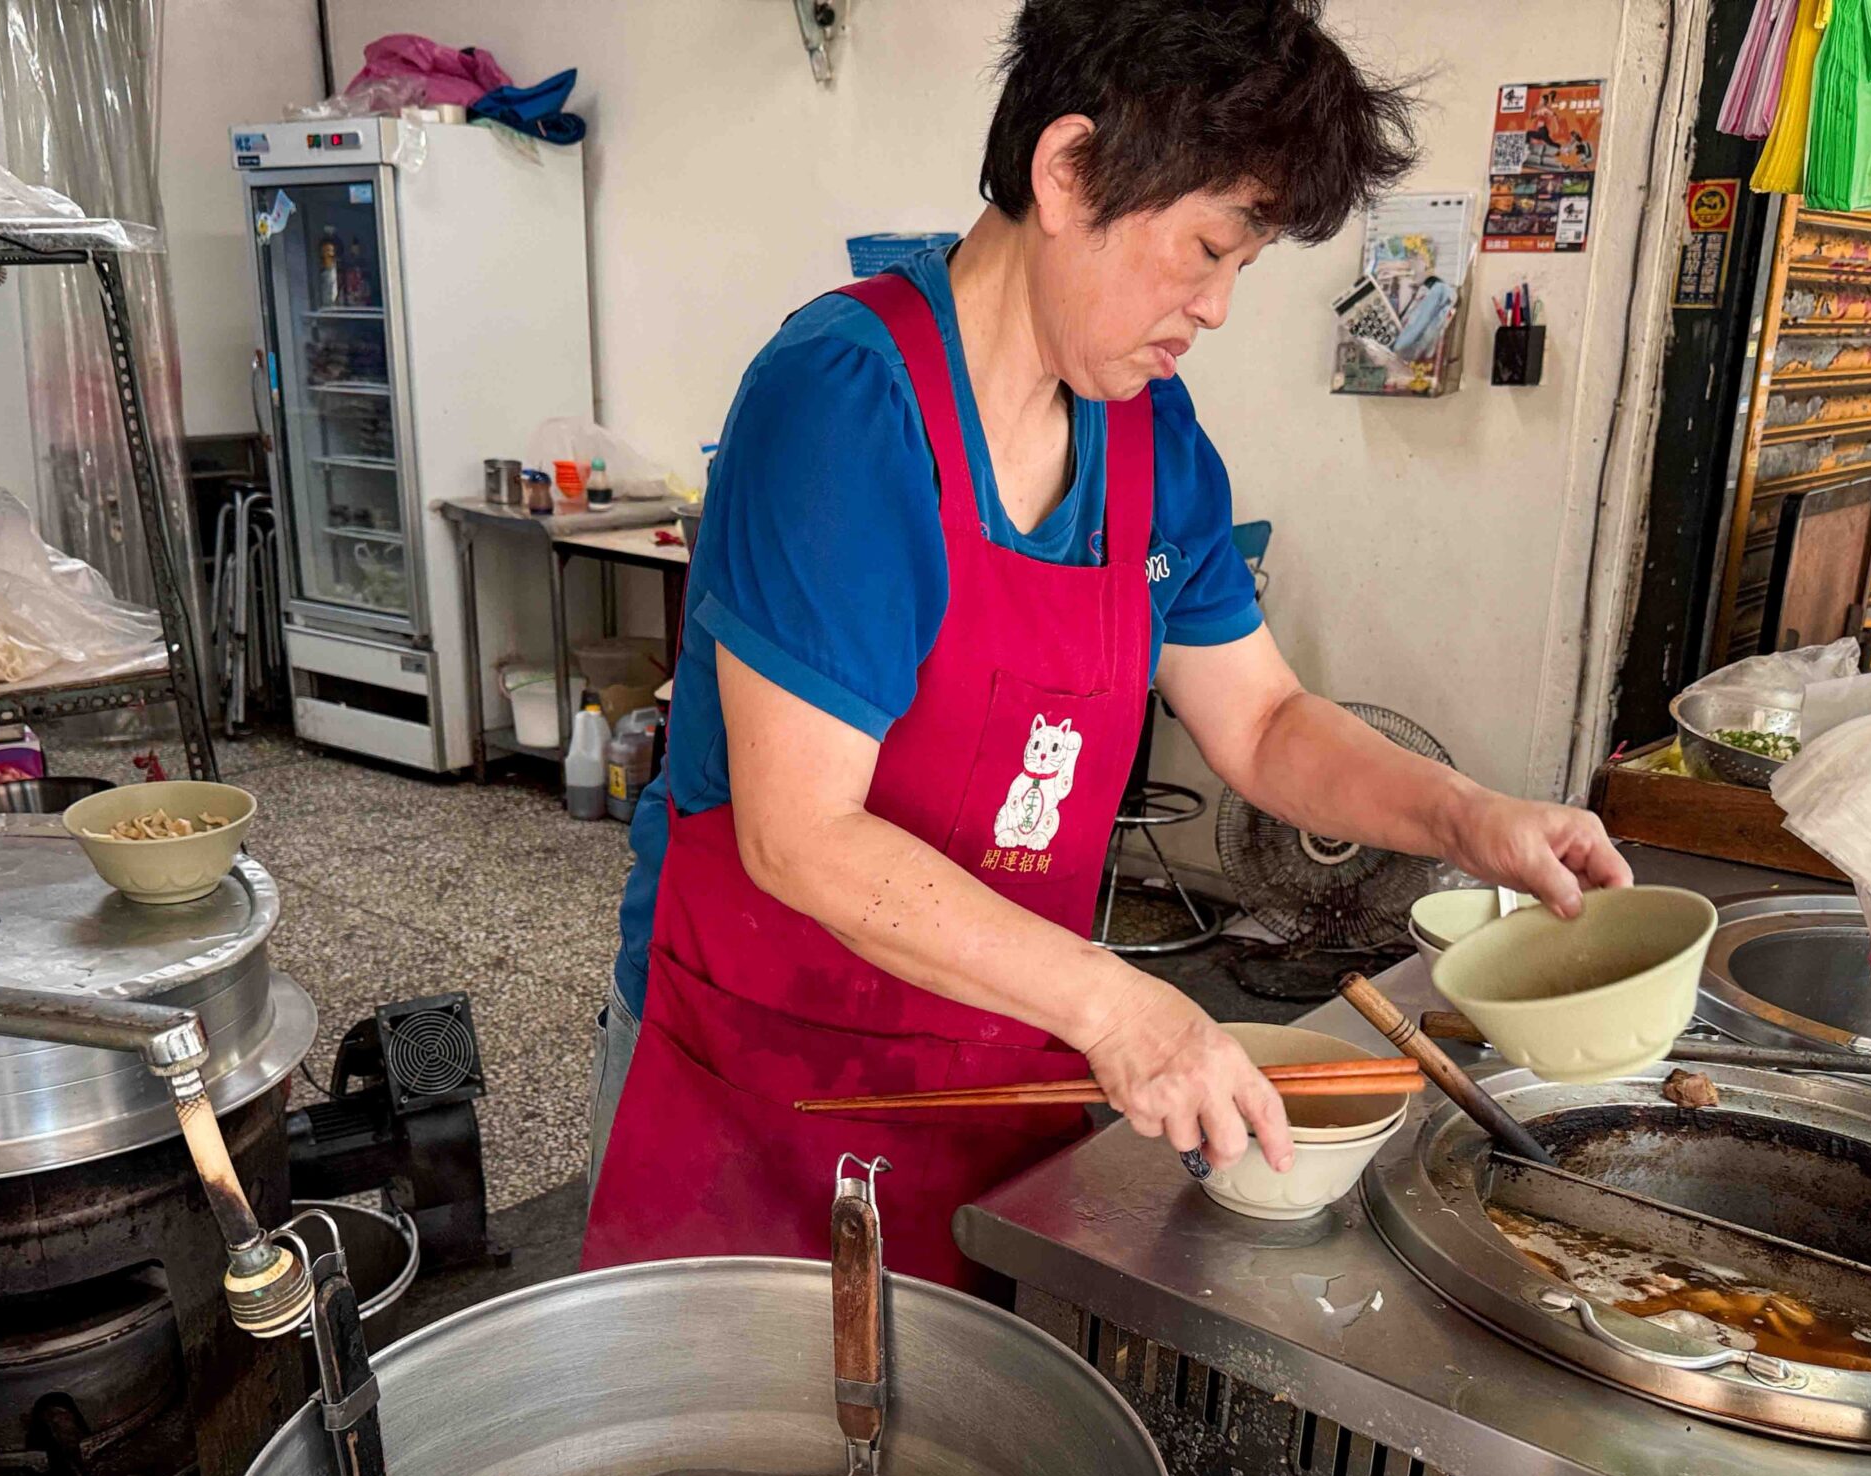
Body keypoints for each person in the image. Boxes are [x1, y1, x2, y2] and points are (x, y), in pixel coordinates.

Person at [583, 0, 1631, 1289]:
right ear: (1068, 170)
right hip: (763, 1088)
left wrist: (1468, 820)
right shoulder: (848, 404)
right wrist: (1124, 1007)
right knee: (733, 1467)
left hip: (1006, 1063)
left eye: (1243, 265)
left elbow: (1259, 722)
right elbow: (800, 834)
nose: (1220, 305)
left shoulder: (1150, 436)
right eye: (1206, 248)